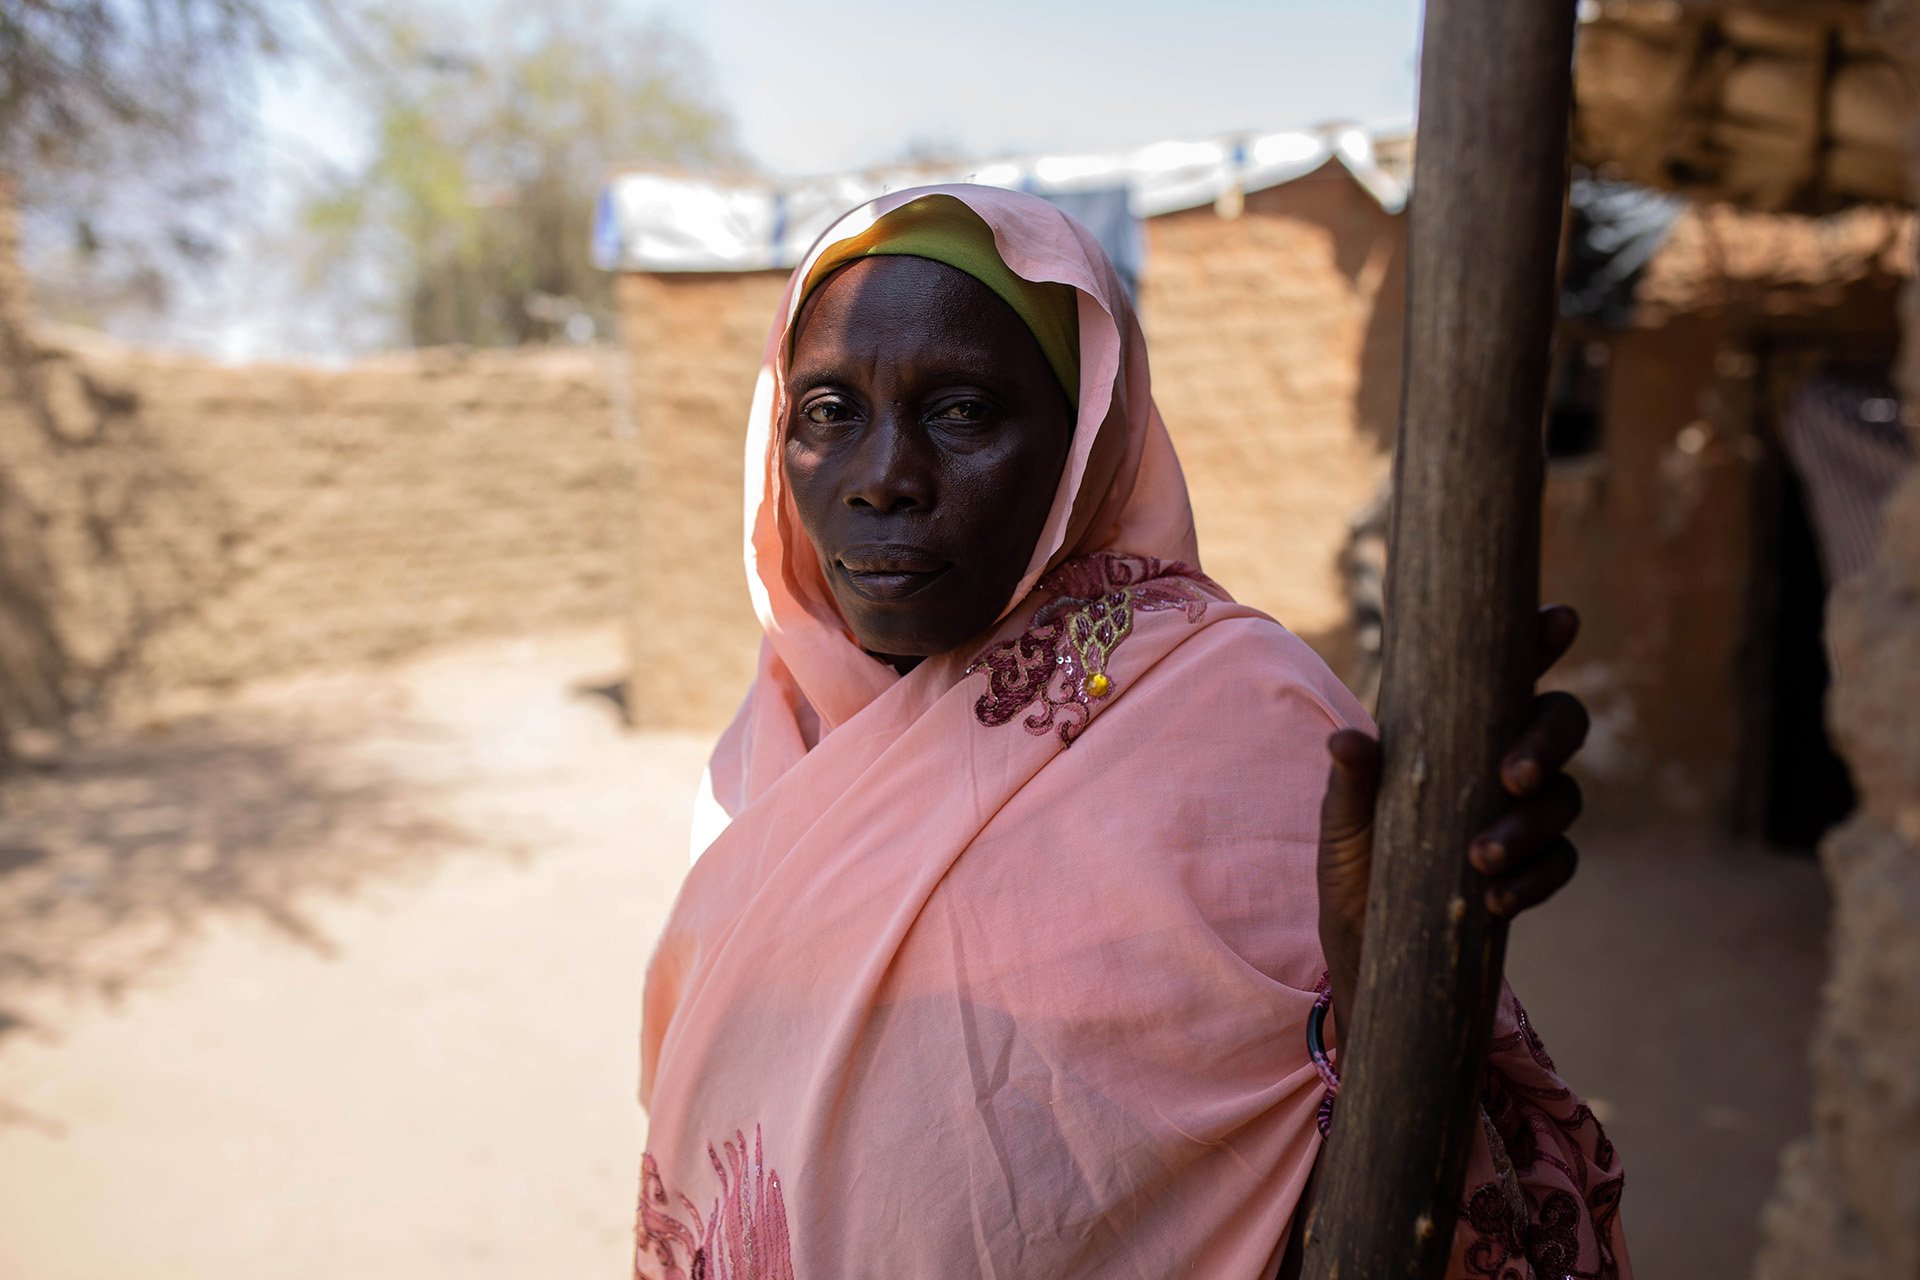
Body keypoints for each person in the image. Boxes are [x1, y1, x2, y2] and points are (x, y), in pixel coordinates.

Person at [635, 186, 1629, 1280]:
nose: (884, 478)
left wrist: (1395, 989)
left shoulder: (1247, 723)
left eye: (961, 409)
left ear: (1086, 441)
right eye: (828, 410)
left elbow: (1433, 1199)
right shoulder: (768, 749)